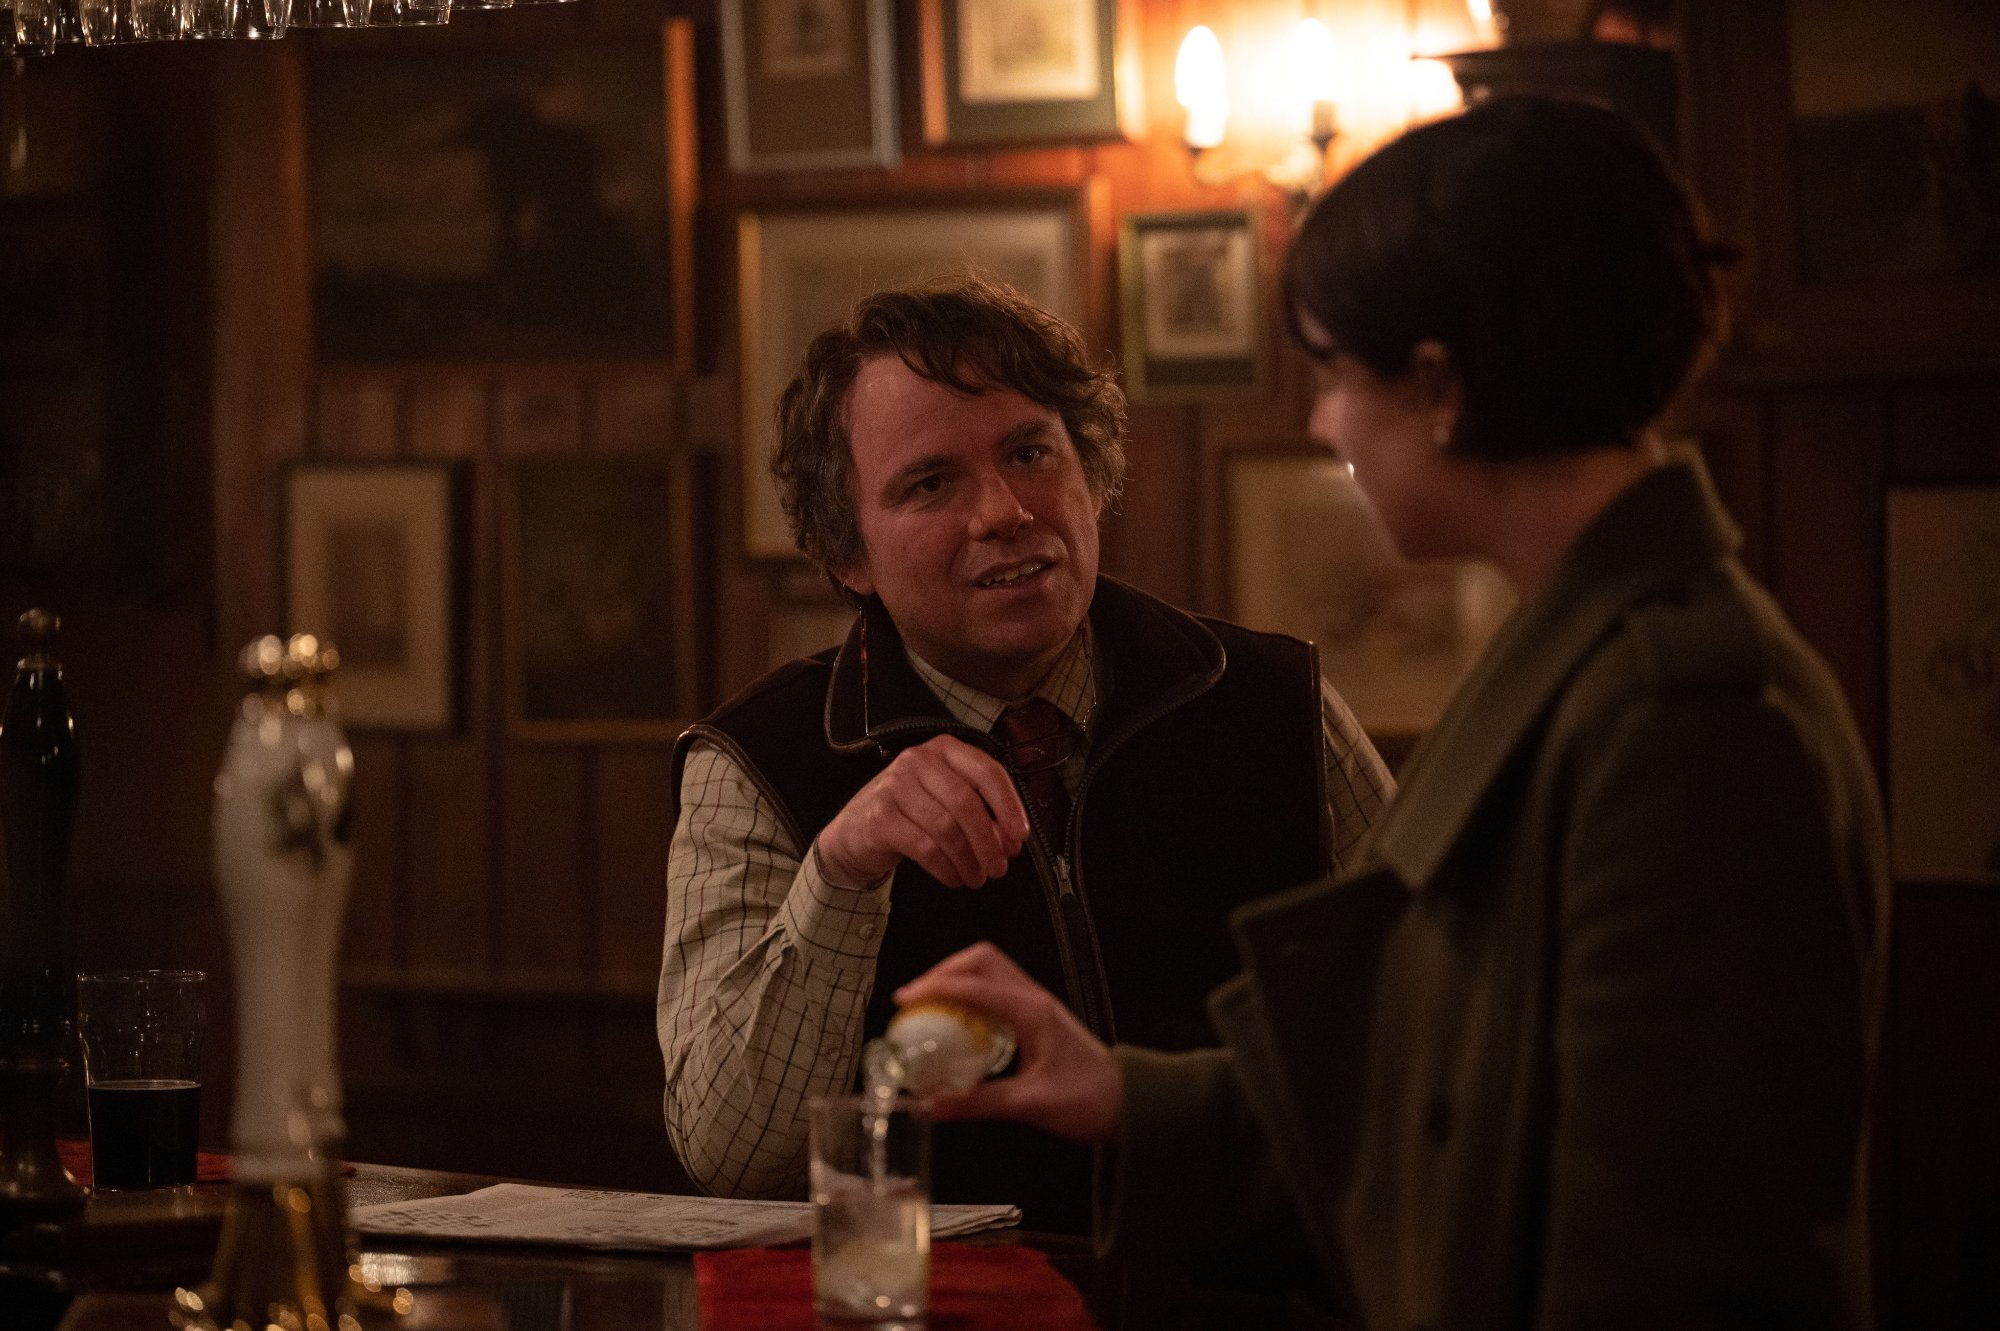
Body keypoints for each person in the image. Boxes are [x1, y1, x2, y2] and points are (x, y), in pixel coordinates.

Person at [898, 97, 1891, 1328]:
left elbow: (1673, 1256)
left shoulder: (1684, 716)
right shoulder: (1584, 659)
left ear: (1437, 388)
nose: (1320, 423)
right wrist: (1119, 1089)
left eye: (1330, 372)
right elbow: (1452, 1090)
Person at [656, 274, 1393, 1232]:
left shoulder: (1269, 699)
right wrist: (841, 872)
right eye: (930, 483)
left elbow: (1451, 1015)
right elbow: (733, 1156)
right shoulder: (757, 760)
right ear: (851, 556)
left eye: (1029, 452)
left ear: (1091, 472)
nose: (1004, 510)